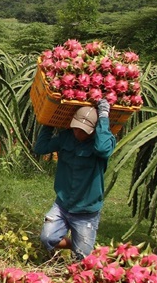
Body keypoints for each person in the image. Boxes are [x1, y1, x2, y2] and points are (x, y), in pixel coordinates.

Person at [33, 99, 116, 260]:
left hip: (86, 212)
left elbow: (103, 149)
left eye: (84, 130)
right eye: (76, 128)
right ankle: (75, 244)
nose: (78, 133)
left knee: (82, 260)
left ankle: (81, 248)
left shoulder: (101, 145)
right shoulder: (66, 138)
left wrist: (104, 117)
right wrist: (49, 122)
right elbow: (41, 148)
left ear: (93, 130)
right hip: (63, 205)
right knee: (47, 238)